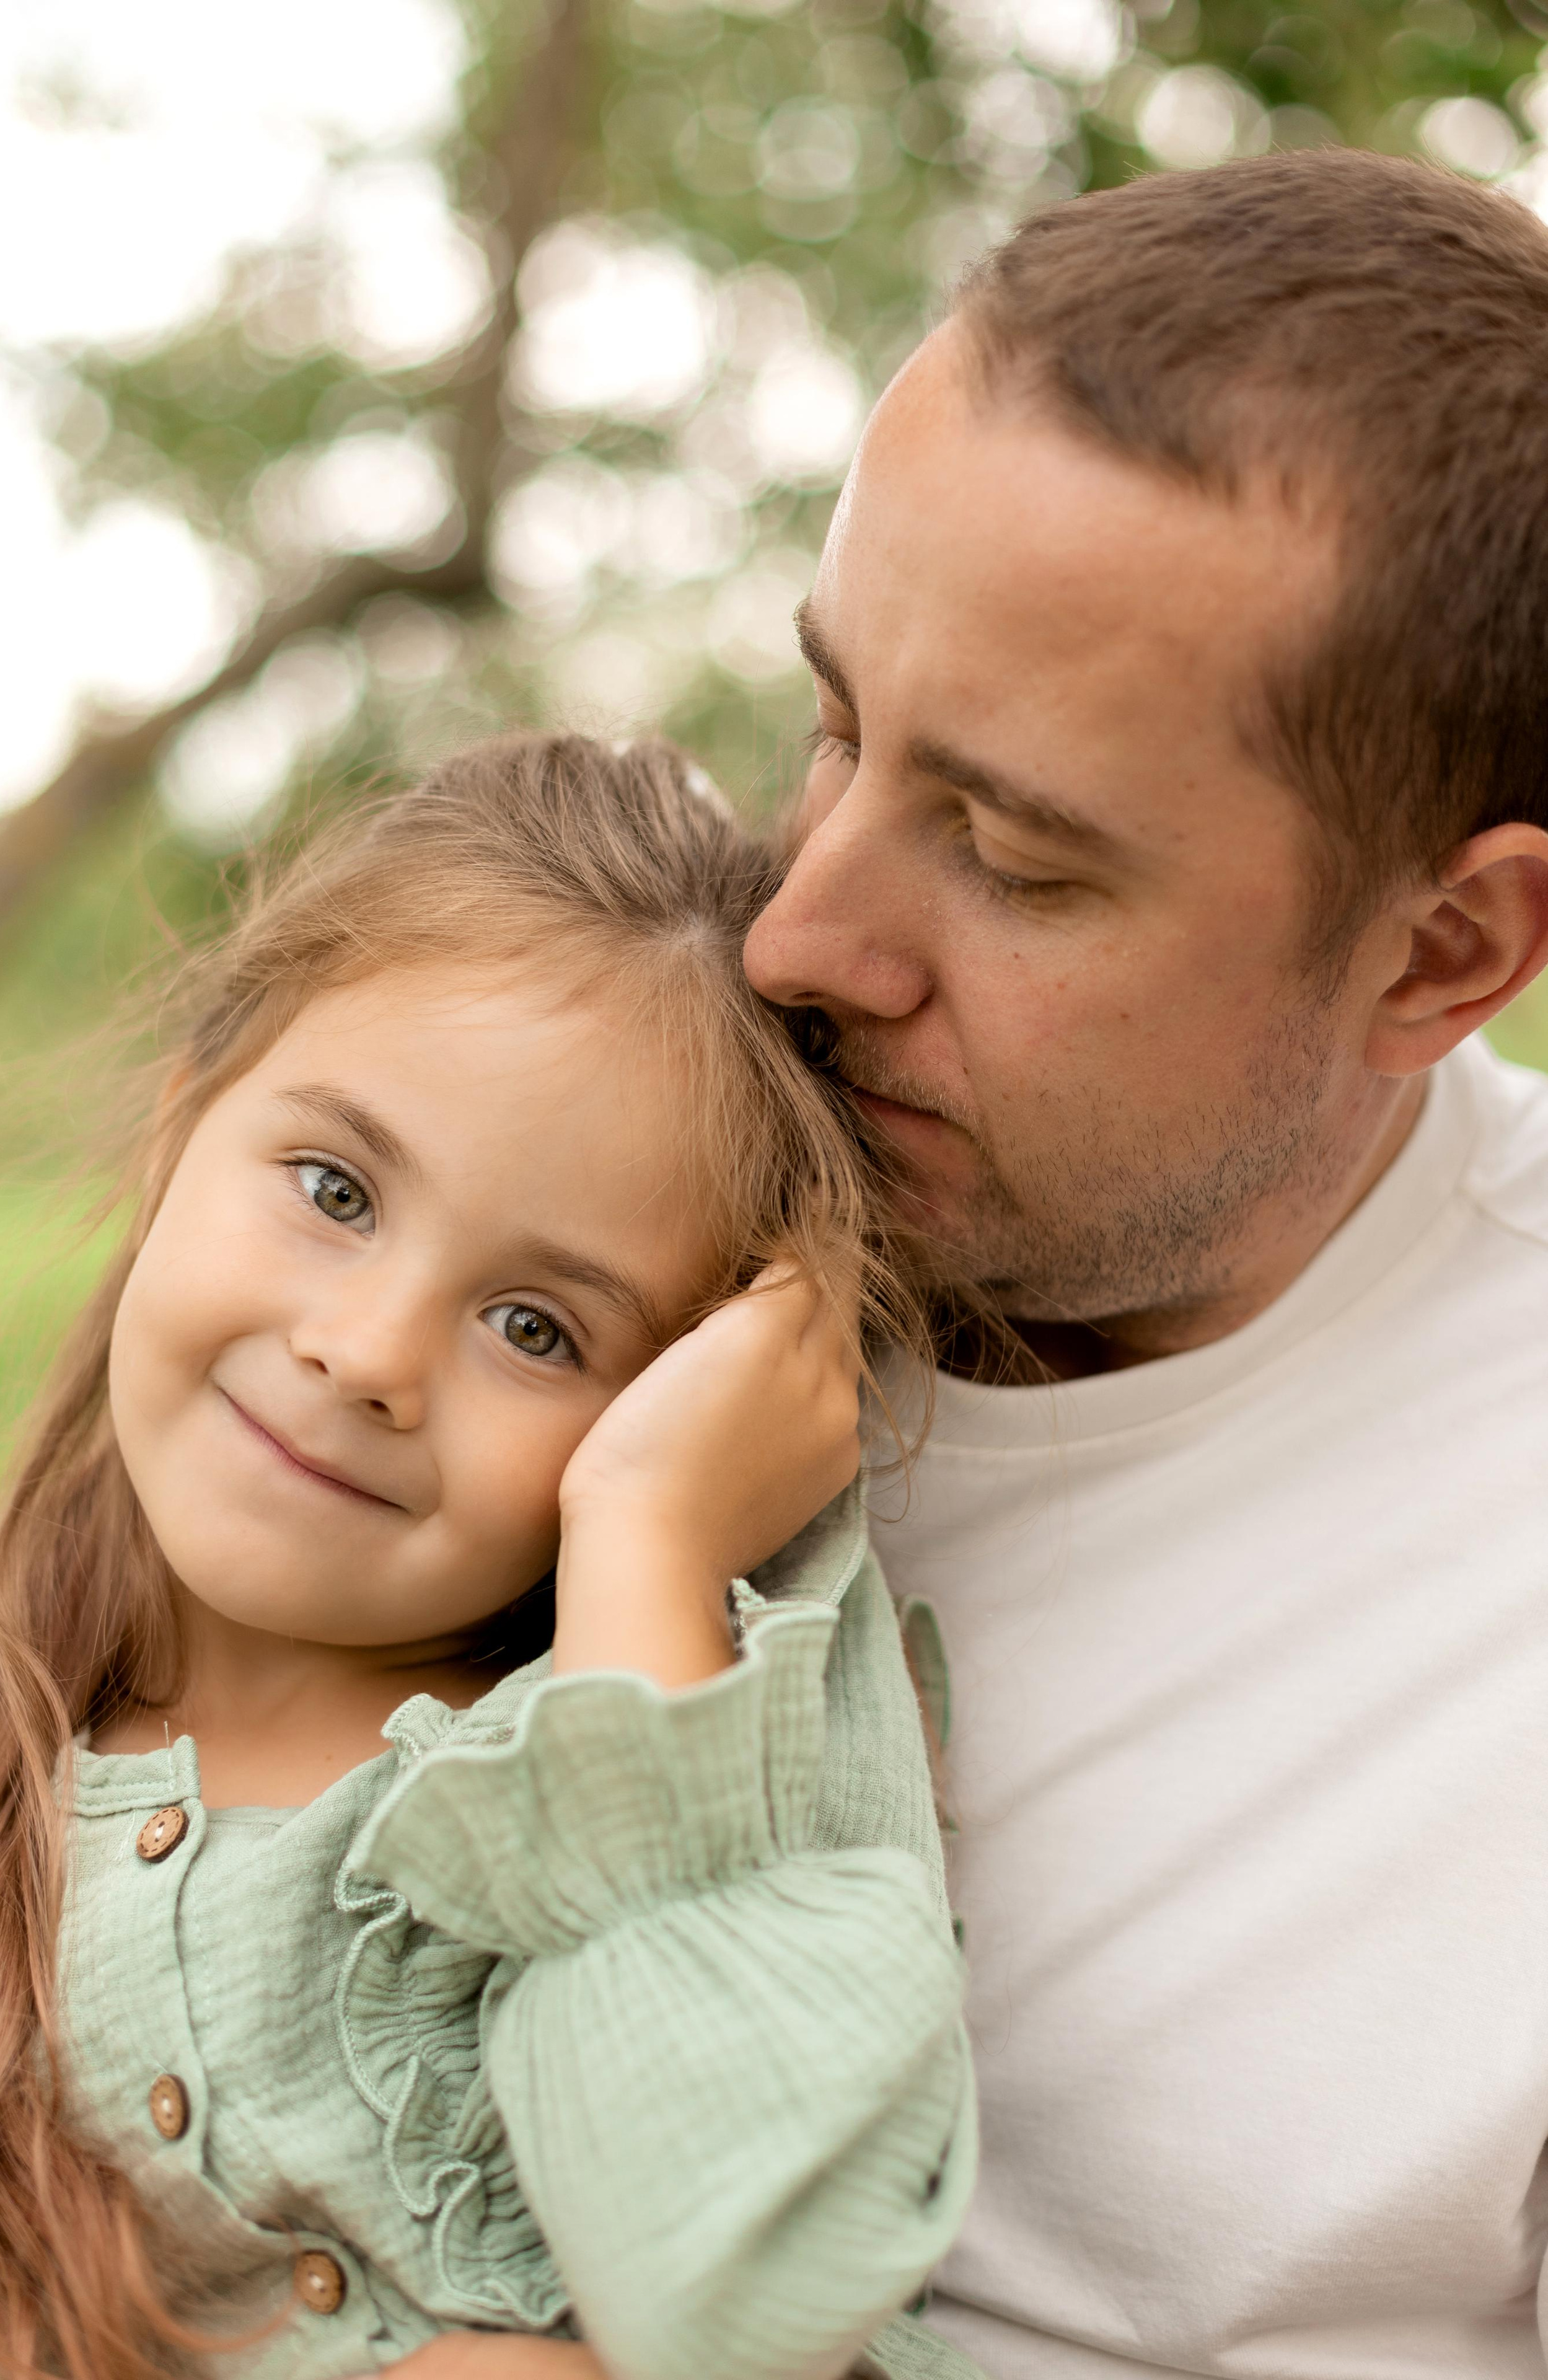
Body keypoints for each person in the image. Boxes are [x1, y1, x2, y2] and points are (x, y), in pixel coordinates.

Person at [742, 149, 1548, 2377]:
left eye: (1009, 856)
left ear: (1446, 951)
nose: (796, 936)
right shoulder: (594, 1168)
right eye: (833, 727)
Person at [0, 734, 978, 2380]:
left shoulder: (691, 1744)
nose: (368, 1351)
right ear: (177, 1126)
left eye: (537, 1327)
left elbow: (749, 2308)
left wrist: (646, 1547)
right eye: (334, 1186)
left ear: (685, 1403)